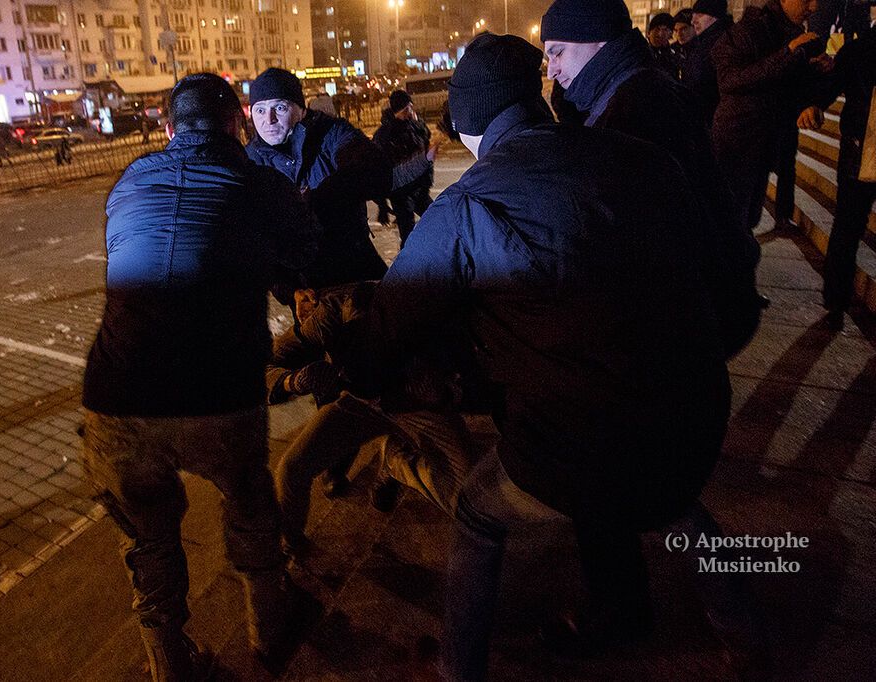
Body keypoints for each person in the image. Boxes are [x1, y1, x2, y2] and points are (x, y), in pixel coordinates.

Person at [359, 32, 756, 680]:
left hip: (577, 441)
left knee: (479, 511)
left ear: (466, 122)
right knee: (671, 496)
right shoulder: (638, 158)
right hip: (694, 411)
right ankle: (742, 633)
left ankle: (457, 667)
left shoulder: (466, 203)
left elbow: (390, 324)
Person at [80, 73, 320, 681]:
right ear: (237, 123)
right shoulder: (261, 184)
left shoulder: (132, 178)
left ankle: (169, 663)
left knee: (146, 534)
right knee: (247, 502)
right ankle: (269, 626)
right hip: (219, 393)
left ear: (167, 128)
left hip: (118, 396)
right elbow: (304, 253)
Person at [543, 0, 763, 359]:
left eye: (558, 53)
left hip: (682, 332)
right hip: (703, 313)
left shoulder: (633, 114)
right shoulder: (637, 89)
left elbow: (645, 252)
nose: (552, 70)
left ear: (597, 41)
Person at [266, 282, 482, 554]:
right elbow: (269, 363)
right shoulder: (332, 313)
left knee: (470, 505)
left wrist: (449, 392)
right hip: (363, 402)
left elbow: (480, 372)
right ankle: (290, 549)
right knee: (290, 469)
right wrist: (292, 381)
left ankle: (398, 461)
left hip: (416, 404)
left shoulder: (432, 316)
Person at [246, 68, 392, 288]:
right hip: (302, 288)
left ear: (301, 110)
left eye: (280, 107)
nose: (269, 119)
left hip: (354, 269)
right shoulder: (250, 160)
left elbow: (373, 169)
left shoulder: (331, 133)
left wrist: (314, 200)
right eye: (260, 110)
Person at [710, 0, 829, 236]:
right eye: (807, 0)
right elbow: (731, 80)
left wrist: (817, 76)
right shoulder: (749, 30)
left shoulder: (793, 33)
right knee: (729, 226)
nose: (813, 7)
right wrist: (790, 53)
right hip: (737, 145)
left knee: (748, 221)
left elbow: (788, 88)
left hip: (766, 146)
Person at [801, 11, 876, 330]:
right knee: (847, 226)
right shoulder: (862, 50)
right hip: (862, 151)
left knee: (847, 227)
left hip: (861, 149)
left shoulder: (860, 48)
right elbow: (832, 84)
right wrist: (814, 103)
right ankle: (835, 296)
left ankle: (835, 296)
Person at [372, 90, 439, 247]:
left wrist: (418, 125)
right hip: (401, 194)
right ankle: (408, 267)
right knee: (408, 236)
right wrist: (382, 204)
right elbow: (378, 169)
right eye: (407, 108)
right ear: (399, 110)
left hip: (420, 189)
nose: (411, 111)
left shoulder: (414, 124)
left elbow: (425, 140)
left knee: (437, 218)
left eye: (411, 106)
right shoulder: (385, 134)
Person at [682, 0, 734, 126]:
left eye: (700, 15)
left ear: (715, 16)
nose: (693, 21)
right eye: (693, 16)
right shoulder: (704, 41)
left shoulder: (720, 43)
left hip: (710, 119)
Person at [647, 12, 680, 79]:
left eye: (665, 30)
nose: (660, 33)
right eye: (657, 29)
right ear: (649, 33)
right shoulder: (641, 54)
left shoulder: (675, 56)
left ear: (670, 33)